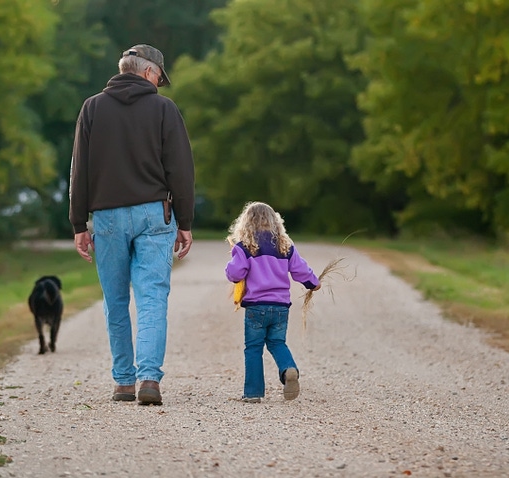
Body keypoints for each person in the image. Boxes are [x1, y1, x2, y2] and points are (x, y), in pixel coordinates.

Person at [68, 44, 195, 406]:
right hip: (154, 215)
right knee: (152, 298)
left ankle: (123, 382)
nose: (160, 84)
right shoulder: (163, 109)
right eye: (159, 77)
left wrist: (79, 222)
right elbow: (180, 169)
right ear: (146, 72)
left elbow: (80, 168)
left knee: (116, 300)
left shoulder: (92, 108)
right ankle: (148, 380)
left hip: (106, 216)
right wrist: (184, 221)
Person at [224, 201, 320, 403]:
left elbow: (235, 274)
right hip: (280, 307)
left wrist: (233, 264)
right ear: (275, 222)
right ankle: (288, 369)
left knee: (253, 348)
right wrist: (313, 283)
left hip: (256, 307)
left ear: (246, 223)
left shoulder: (245, 247)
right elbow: (300, 270)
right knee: (277, 342)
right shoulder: (285, 246)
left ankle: (253, 393)